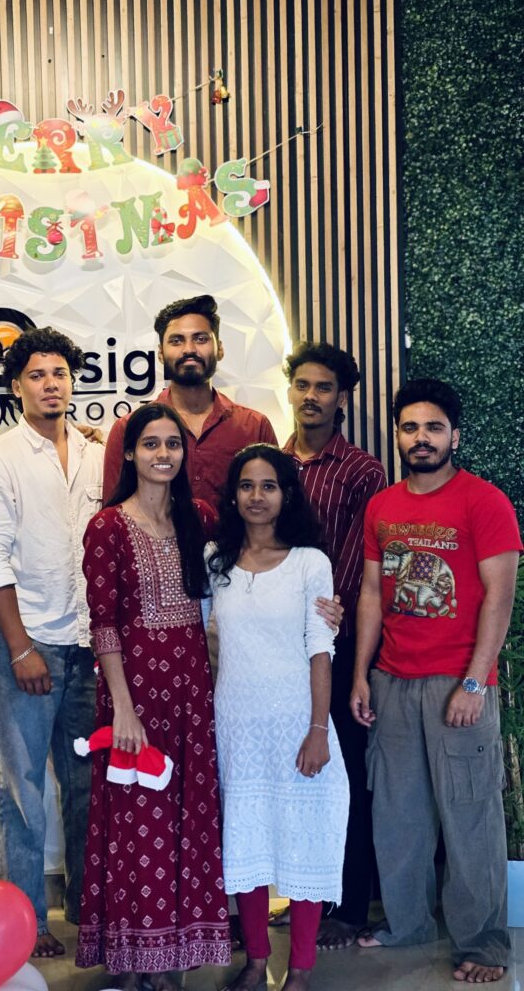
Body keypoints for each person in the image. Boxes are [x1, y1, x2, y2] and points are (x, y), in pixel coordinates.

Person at [351, 378, 521, 983]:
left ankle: (484, 943)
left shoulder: (484, 502)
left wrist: (474, 684)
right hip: (393, 679)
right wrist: (362, 675)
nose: (420, 438)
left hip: (458, 681)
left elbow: (500, 597)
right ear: (397, 435)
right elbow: (372, 594)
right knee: (398, 814)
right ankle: (408, 924)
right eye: (410, 427)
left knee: (470, 816)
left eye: (433, 427)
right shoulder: (383, 506)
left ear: (455, 436)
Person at [76, 402, 231, 990]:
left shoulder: (200, 518)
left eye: (172, 444)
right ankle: (136, 957)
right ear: (130, 454)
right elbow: (105, 624)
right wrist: (122, 707)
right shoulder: (108, 527)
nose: (163, 454)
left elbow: (248, 570)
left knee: (189, 820)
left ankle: (173, 958)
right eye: (150, 444)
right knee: (138, 822)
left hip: (191, 692)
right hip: (134, 694)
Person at [0, 327, 103, 958]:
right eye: (38, 375)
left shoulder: (97, 453)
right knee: (21, 786)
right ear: (16, 386)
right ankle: (27, 918)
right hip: (28, 643)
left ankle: (87, 907)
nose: (52, 385)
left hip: (88, 644)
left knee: (88, 783)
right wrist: (20, 647)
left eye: (60, 374)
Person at [208, 444, 349, 991]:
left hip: (297, 721)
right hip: (237, 725)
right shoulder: (215, 562)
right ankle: (254, 961)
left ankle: (302, 970)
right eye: (246, 485)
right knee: (246, 843)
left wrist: (318, 730)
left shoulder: (311, 563)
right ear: (233, 495)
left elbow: (320, 648)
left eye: (269, 485)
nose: (257, 496)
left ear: (287, 494)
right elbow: (196, 636)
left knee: (305, 839)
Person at [282, 341, 386, 949]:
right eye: (302, 385)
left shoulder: (362, 470)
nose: (311, 396)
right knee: (298, 770)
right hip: (277, 646)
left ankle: (348, 906)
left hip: (338, 642)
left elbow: (354, 565)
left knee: (343, 771)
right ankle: (304, 898)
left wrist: (324, 622)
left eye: (323, 387)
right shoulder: (274, 463)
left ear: (341, 397)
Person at [103, 294, 277, 509]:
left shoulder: (255, 427)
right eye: (176, 341)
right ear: (160, 354)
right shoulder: (128, 429)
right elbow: (114, 516)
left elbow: (275, 511)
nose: (189, 349)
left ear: (220, 349)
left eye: (201, 339)